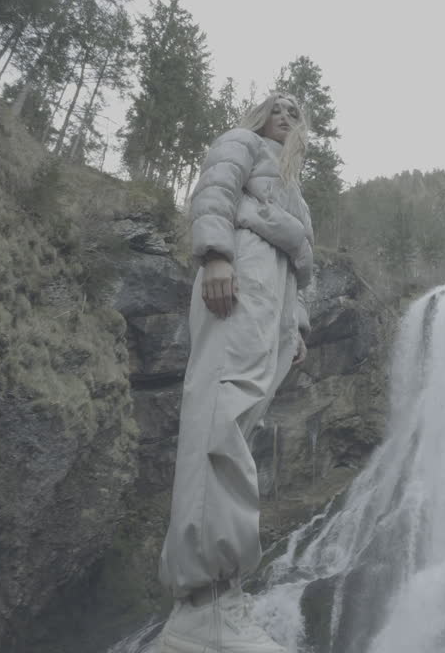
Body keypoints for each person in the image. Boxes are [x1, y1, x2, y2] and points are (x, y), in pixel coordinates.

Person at [154, 93, 314, 653]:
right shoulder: (240, 144)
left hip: (275, 303)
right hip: (239, 278)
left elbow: (299, 269)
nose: (288, 113)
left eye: (298, 110)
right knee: (219, 414)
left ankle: (220, 595)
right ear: (259, 114)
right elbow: (215, 190)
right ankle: (201, 604)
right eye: (280, 104)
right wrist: (215, 254)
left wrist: (296, 327)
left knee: (239, 425)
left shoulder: (296, 194)